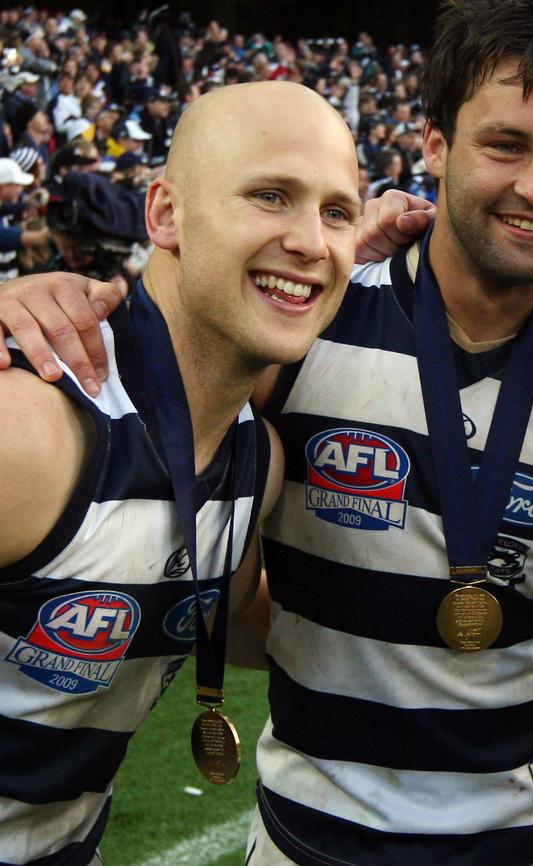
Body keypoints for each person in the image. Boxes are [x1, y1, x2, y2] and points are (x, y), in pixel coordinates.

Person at [1, 3, 533, 865]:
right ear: (433, 145)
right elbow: (177, 335)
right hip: (310, 837)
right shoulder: (298, 338)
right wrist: (51, 302)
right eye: (505, 144)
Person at [0, 80, 361, 866]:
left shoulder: (253, 465)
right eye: (272, 195)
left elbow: (234, 619)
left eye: (338, 212)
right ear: (165, 215)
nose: (311, 241)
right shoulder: (30, 429)